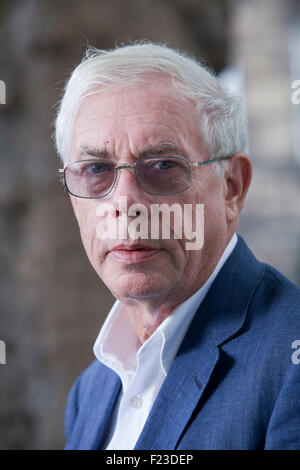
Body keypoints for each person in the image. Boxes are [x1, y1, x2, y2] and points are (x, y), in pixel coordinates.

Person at [55, 42, 300, 450]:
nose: (125, 204)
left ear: (231, 187)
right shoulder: (91, 391)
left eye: (164, 166)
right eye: (96, 170)